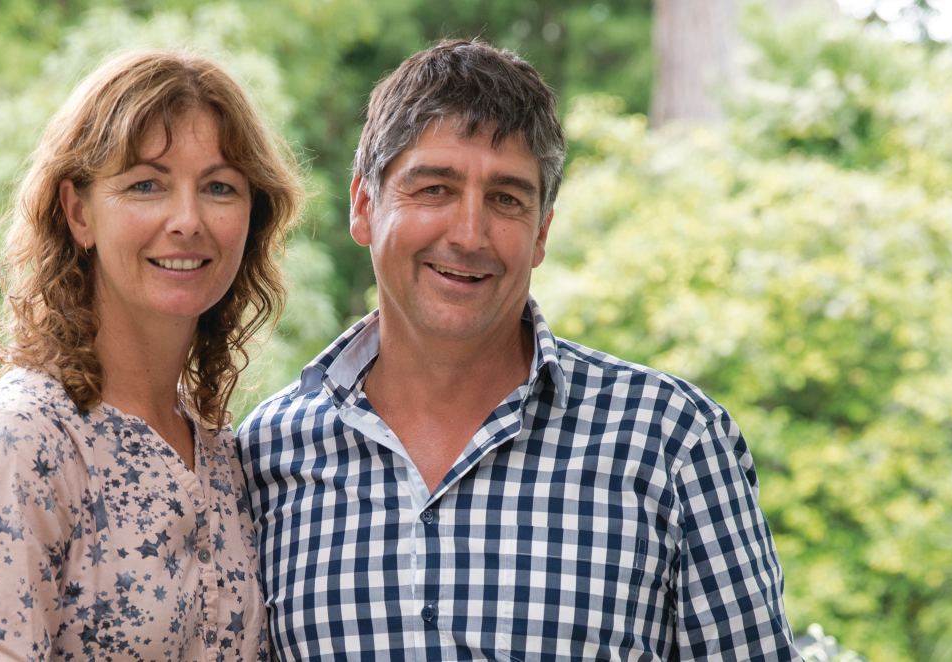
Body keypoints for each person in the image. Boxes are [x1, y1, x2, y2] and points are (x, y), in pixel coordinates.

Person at [238, 40, 800, 661]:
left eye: (506, 198)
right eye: (434, 189)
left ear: (542, 232)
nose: (469, 233)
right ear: (364, 206)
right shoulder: (266, 455)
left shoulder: (672, 442)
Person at [0, 49, 304, 662]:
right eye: (147, 184)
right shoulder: (21, 440)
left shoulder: (224, 456)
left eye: (219, 187)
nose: (188, 219)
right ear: (78, 211)